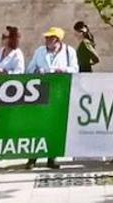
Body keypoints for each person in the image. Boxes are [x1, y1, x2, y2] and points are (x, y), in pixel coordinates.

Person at [26, 26, 79, 168]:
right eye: (46, 38)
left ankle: (52, 157)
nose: (47, 40)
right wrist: (38, 70)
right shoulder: (40, 51)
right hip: (41, 92)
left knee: (55, 126)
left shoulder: (69, 52)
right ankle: (33, 158)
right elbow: (30, 69)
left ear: (58, 40)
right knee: (38, 125)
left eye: (50, 38)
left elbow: (75, 69)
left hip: (59, 93)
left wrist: (63, 70)